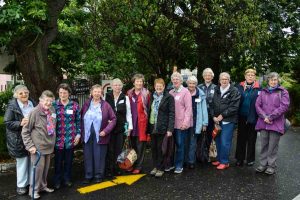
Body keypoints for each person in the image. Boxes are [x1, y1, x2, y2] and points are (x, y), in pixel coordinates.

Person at [21, 90, 56, 199]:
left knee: (45, 170)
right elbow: (25, 131)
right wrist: (30, 146)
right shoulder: (34, 112)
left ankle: (43, 186)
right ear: (41, 100)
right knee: (37, 170)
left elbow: (53, 127)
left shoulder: (52, 110)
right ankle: (34, 190)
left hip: (49, 146)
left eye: (50, 101)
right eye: (46, 101)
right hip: (37, 148)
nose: (48, 103)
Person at [255, 72, 290, 175]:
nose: (273, 82)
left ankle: (271, 166)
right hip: (263, 122)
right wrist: (264, 116)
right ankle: (262, 164)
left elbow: (284, 106)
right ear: (268, 81)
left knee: (273, 146)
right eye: (271, 80)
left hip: (276, 123)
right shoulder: (263, 92)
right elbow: (257, 105)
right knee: (264, 145)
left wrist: (271, 117)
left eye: (275, 80)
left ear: (278, 80)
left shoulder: (283, 92)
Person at [81, 84, 116, 183]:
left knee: (99, 156)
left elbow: (113, 119)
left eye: (99, 92)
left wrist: (106, 131)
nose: (97, 93)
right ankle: (88, 175)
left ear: (101, 93)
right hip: (87, 135)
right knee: (88, 156)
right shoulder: (87, 104)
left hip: (100, 136)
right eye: (95, 91)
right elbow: (80, 118)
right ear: (91, 92)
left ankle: (98, 175)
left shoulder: (105, 105)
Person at [4, 85, 36, 195]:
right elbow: (7, 123)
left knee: (32, 161)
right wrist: (20, 123)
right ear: (16, 95)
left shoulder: (33, 103)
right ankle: (21, 185)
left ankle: (31, 182)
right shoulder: (12, 106)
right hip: (19, 139)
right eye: (21, 93)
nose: (24, 95)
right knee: (22, 162)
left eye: (25, 92)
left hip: (32, 137)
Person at [53, 83, 81, 189]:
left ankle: (67, 179)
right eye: (60, 92)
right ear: (58, 93)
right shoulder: (54, 105)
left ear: (69, 93)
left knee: (69, 161)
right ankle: (57, 180)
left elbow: (78, 121)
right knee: (58, 161)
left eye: (65, 92)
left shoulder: (74, 105)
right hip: (58, 138)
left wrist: (78, 135)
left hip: (70, 138)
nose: (63, 94)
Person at [211, 72, 241, 170]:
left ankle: (225, 162)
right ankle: (219, 159)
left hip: (228, 120)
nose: (224, 81)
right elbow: (212, 104)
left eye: (226, 79)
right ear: (219, 80)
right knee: (218, 140)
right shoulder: (216, 89)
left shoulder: (234, 91)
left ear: (229, 80)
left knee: (225, 141)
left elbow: (234, 107)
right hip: (217, 120)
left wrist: (222, 115)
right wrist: (213, 116)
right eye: (222, 79)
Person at [105, 78, 133, 177]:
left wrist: (130, 127)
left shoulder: (125, 98)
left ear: (122, 86)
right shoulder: (106, 96)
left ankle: (117, 169)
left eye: (119, 85)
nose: (117, 87)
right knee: (110, 149)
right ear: (112, 86)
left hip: (121, 128)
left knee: (118, 149)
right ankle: (109, 169)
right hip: (109, 128)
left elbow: (129, 113)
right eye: (115, 85)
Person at [149, 78, 175, 177]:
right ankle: (155, 166)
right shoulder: (152, 96)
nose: (158, 88)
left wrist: (170, 129)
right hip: (152, 126)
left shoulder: (169, 97)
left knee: (162, 148)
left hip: (163, 127)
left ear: (164, 87)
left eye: (160, 86)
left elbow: (172, 114)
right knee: (154, 148)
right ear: (155, 87)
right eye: (157, 86)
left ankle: (161, 168)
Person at [235, 69, 260, 167]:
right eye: (248, 75)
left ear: (255, 77)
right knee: (241, 138)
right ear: (245, 76)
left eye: (252, 75)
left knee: (252, 139)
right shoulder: (238, 87)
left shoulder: (259, 89)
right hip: (241, 117)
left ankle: (250, 159)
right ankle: (239, 159)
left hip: (253, 117)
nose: (250, 76)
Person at [169, 72, 193, 173]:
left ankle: (179, 165)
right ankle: (170, 164)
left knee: (180, 145)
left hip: (181, 125)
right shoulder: (170, 92)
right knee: (171, 146)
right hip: (171, 124)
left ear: (181, 80)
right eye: (173, 79)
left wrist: (185, 123)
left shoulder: (185, 92)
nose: (175, 81)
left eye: (177, 79)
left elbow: (188, 109)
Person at [127, 74, 151, 174]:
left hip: (142, 123)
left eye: (141, 81)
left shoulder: (147, 93)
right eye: (137, 81)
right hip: (131, 123)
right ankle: (132, 163)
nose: (139, 83)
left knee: (141, 146)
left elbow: (149, 109)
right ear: (133, 82)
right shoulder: (129, 93)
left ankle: (139, 166)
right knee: (132, 145)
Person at [185, 76, 208, 168]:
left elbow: (204, 109)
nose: (191, 85)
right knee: (183, 142)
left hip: (196, 122)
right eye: (190, 83)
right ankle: (183, 160)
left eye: (193, 83)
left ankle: (191, 161)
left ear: (196, 84)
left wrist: (204, 123)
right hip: (184, 122)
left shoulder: (200, 94)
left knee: (192, 142)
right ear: (187, 83)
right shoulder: (184, 92)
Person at [198, 68, 217, 155]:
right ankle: (199, 153)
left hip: (211, 115)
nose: (208, 77)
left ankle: (209, 154)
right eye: (206, 75)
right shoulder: (198, 87)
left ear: (212, 77)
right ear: (203, 76)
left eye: (209, 75)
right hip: (200, 115)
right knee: (199, 135)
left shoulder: (216, 88)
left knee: (210, 135)